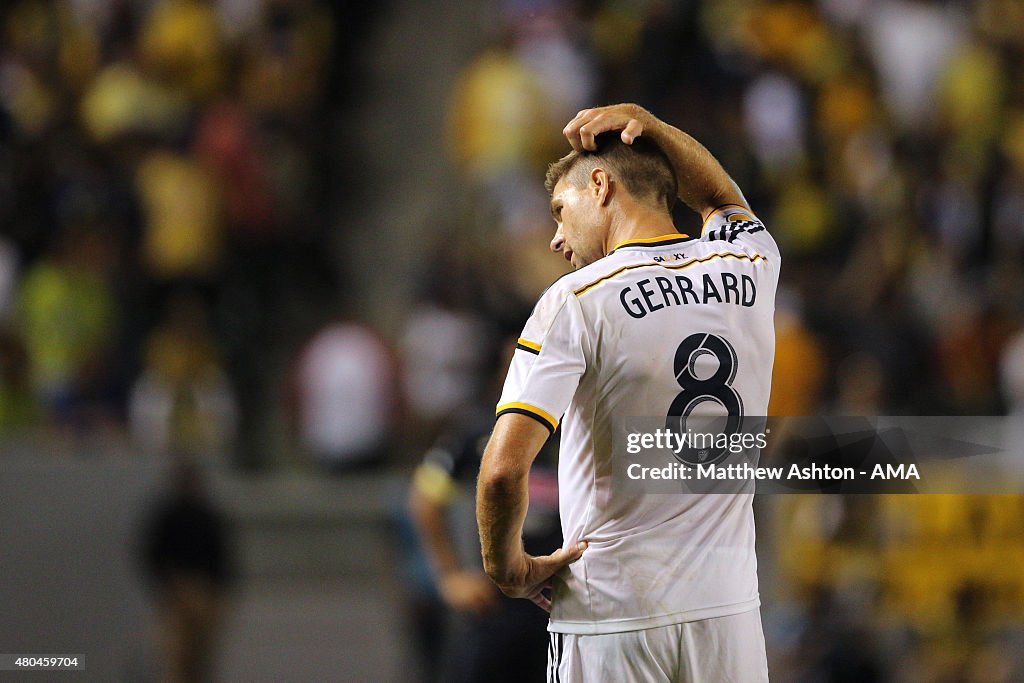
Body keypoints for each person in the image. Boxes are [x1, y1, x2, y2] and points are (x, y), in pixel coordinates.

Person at [476, 103, 778, 682]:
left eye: (561, 212)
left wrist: (507, 567)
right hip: (728, 616)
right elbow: (720, 196)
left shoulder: (578, 300)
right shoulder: (750, 263)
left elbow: (501, 471)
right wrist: (656, 126)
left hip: (612, 613)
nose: (557, 239)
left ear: (600, 184)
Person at [408, 339, 561, 682]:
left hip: (569, 601)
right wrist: (450, 576)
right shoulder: (478, 430)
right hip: (498, 602)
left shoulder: (582, 428)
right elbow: (425, 499)